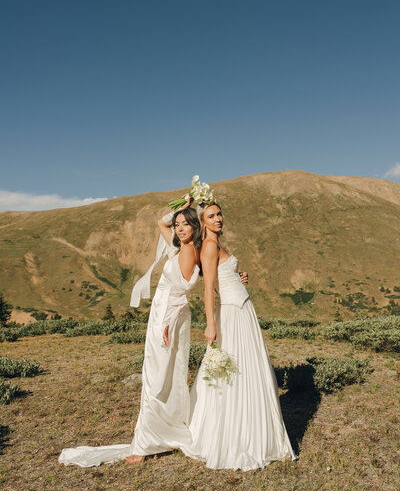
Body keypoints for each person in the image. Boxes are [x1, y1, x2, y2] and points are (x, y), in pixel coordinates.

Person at [58, 198, 201, 467]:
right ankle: (157, 435)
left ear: (195, 225)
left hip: (167, 319)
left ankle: (148, 441)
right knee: (157, 374)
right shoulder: (178, 247)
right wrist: (183, 204)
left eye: (185, 224)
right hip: (161, 316)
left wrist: (167, 323)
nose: (179, 228)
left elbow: (181, 293)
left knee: (158, 377)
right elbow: (161, 221)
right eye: (178, 224)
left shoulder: (187, 252)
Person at [181, 202, 298, 471]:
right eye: (211, 216)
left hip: (243, 311)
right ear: (203, 222)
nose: (218, 218)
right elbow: (208, 289)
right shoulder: (209, 246)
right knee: (233, 373)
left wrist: (237, 276)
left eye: (219, 213)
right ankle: (234, 437)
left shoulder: (216, 245)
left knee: (247, 370)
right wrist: (211, 325)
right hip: (232, 316)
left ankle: (252, 431)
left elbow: (221, 280)